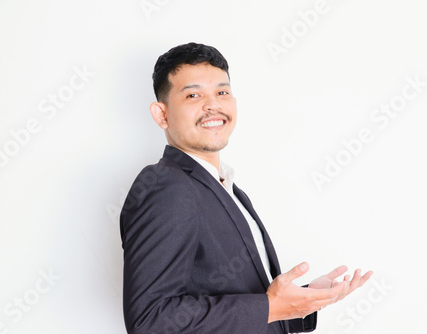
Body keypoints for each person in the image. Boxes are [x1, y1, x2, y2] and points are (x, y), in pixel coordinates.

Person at [120, 42, 372, 334]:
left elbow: (246, 304)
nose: (213, 104)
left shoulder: (227, 188)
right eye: (193, 94)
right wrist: (272, 307)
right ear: (161, 114)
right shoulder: (166, 186)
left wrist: (302, 300)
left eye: (222, 92)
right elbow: (151, 320)